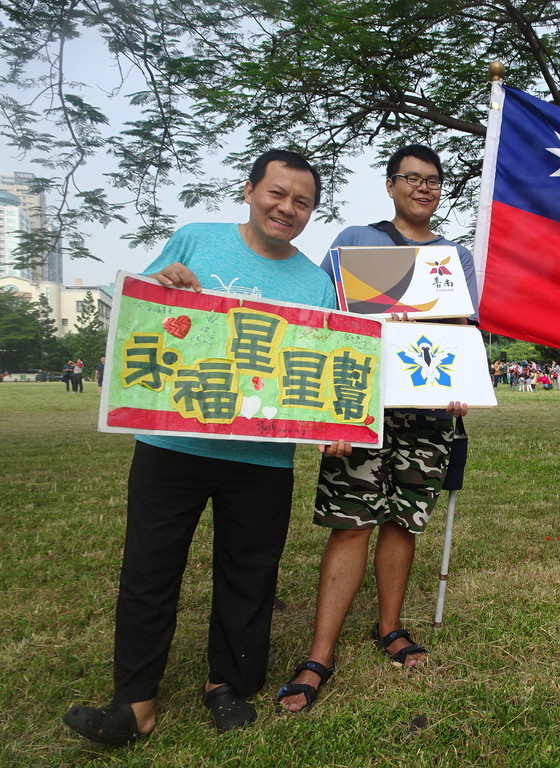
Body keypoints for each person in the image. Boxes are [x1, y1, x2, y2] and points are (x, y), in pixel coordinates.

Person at [63, 150, 350, 746]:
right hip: (171, 443)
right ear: (249, 191)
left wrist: (335, 426)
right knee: (149, 569)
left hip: (261, 457)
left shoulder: (316, 284)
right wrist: (160, 284)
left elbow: (321, 370)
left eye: (302, 202)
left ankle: (229, 684)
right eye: (277, 193)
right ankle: (134, 702)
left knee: (249, 572)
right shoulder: (195, 239)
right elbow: (140, 309)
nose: (287, 208)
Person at [277, 145, 474, 714]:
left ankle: (390, 628)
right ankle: (320, 654)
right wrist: (329, 409)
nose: (423, 187)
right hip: (360, 404)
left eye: (433, 180)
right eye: (411, 177)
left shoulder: (453, 256)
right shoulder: (356, 241)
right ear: (390, 185)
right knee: (350, 523)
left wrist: (461, 381)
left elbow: (463, 330)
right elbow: (325, 319)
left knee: (403, 521)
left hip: (428, 411)